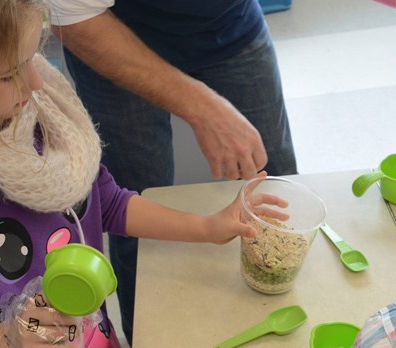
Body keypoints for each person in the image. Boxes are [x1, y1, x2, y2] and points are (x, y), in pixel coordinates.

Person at [0, 0, 288, 347]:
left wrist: (207, 228)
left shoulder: (34, 116)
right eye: (8, 74)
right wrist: (7, 337)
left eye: (34, 58)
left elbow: (107, 202)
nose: (37, 84)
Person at [44, 1, 298, 344]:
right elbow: (75, 19)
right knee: (138, 225)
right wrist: (203, 109)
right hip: (111, 31)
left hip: (230, 24)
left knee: (280, 192)